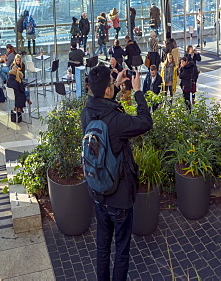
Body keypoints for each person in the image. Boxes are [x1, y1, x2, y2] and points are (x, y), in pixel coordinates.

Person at [82, 65, 152, 281]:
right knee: (121, 251)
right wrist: (138, 92)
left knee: (102, 248)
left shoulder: (87, 112)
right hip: (119, 196)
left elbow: (105, 110)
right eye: (111, 84)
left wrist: (117, 88)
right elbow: (145, 123)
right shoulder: (116, 122)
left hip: (97, 191)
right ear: (107, 91)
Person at [7, 55, 30, 120]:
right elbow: (22, 89)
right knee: (26, 92)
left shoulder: (9, 79)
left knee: (23, 92)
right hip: (16, 95)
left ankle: (18, 107)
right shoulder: (18, 81)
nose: (18, 61)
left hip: (10, 94)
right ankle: (21, 106)